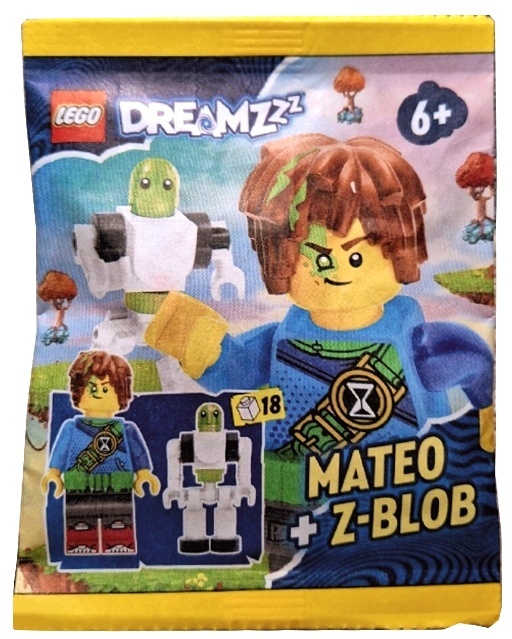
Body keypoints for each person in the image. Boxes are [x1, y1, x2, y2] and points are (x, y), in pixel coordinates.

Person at [41, 350, 160, 555]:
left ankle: (118, 543)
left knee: (118, 520)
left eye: (106, 388)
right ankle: (81, 544)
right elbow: (60, 451)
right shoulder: (72, 428)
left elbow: (138, 453)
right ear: (78, 390)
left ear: (120, 393)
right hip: (79, 482)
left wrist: (143, 474)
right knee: (80, 519)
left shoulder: (126, 430)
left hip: (118, 483)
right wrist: (54, 473)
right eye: (91, 387)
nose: (97, 393)